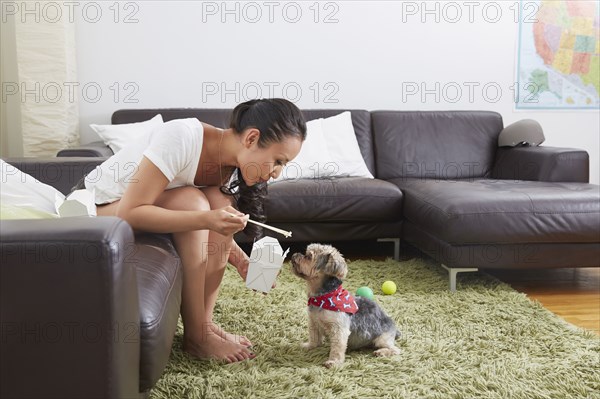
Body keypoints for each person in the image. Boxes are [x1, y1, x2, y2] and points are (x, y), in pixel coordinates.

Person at [83, 98, 306, 363]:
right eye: (278, 161)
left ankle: (205, 324)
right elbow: (130, 212)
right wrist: (207, 218)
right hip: (96, 209)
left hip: (137, 209)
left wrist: (240, 259)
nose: (277, 173)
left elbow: (208, 224)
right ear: (251, 138)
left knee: (220, 204)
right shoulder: (182, 137)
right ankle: (196, 337)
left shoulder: (225, 167)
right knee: (193, 202)